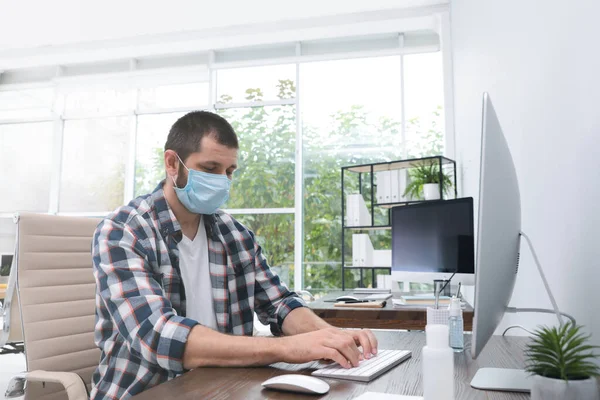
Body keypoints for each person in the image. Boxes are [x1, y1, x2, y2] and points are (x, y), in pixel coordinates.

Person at [90, 111, 378, 399]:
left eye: (229, 172)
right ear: (171, 163)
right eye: (210, 168)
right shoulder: (123, 231)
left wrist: (330, 337)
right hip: (147, 391)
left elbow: (280, 304)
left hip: (224, 388)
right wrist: (288, 349)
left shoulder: (235, 234)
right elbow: (158, 336)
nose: (222, 181)